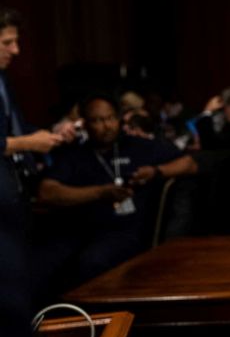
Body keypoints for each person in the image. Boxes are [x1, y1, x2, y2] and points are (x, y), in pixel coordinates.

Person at [31, 94, 198, 303]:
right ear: (85, 123)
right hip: (77, 228)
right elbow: (47, 192)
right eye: (97, 121)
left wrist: (156, 171)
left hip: (126, 229)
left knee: (92, 261)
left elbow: (189, 164)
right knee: (40, 265)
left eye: (110, 118)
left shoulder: (141, 146)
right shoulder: (74, 154)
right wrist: (100, 192)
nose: (106, 126)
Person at [0, 8, 71, 197]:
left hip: (15, 189)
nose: (16, 50)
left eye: (16, 42)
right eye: (7, 43)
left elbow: (13, 128)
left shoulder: (3, 78)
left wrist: (51, 133)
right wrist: (28, 142)